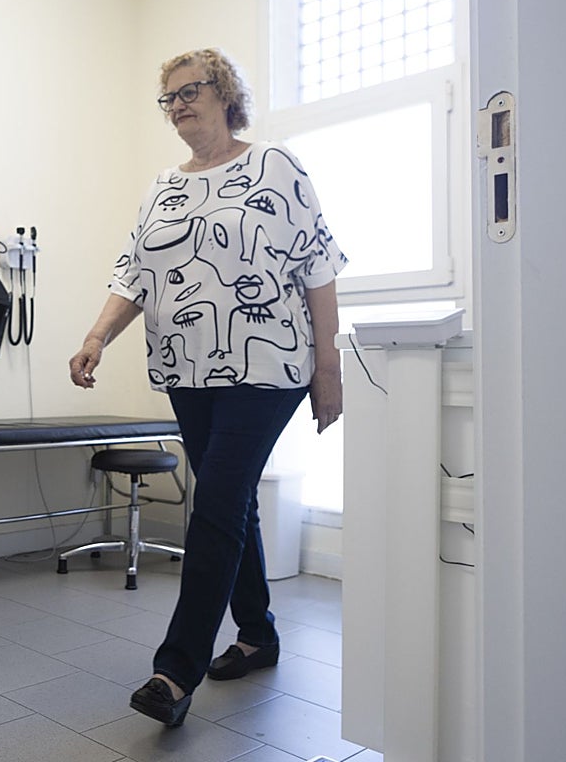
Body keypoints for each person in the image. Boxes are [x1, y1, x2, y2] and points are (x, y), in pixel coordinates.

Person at [68, 48, 347, 728]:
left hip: (267, 366)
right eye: (168, 98)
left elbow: (317, 265)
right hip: (188, 370)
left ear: (225, 93)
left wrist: (329, 367)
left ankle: (176, 670)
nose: (178, 105)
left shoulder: (274, 165)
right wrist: (98, 336)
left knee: (216, 502)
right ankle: (258, 634)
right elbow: (134, 273)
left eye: (190, 91)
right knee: (233, 501)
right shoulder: (163, 187)